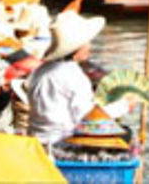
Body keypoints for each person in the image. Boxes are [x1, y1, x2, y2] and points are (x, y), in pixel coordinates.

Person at [27, 11, 130, 147]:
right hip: (61, 142)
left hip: (37, 138)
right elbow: (88, 119)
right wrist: (124, 105)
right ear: (77, 48)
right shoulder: (72, 75)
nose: (89, 47)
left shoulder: (41, 70)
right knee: (127, 134)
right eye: (87, 43)